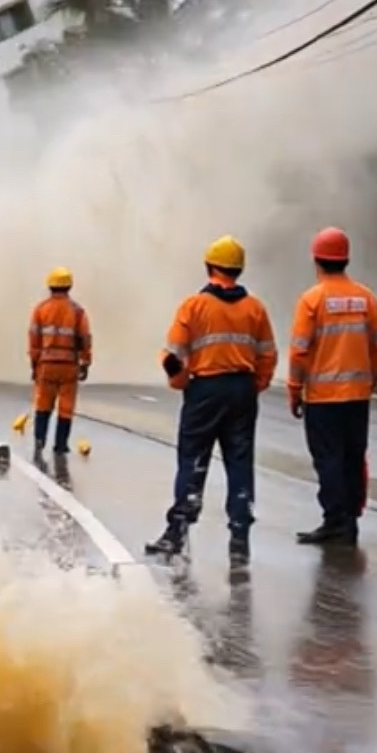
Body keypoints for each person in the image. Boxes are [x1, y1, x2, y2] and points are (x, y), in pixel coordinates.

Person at [145, 236, 277, 567]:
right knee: (240, 461)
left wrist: (181, 382)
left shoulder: (194, 306)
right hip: (243, 391)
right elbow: (268, 355)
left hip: (205, 390)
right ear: (239, 269)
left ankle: (177, 532)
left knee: (193, 459)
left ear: (209, 267)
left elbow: (174, 356)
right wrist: (255, 385)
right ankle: (239, 536)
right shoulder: (255, 309)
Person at [287, 227, 377, 546]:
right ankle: (351, 519)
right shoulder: (366, 298)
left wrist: (294, 389)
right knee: (354, 457)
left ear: (317, 260)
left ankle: (335, 521)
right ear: (346, 259)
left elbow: (299, 350)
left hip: (322, 399)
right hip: (357, 397)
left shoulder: (311, 300)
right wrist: (369, 381)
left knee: (328, 459)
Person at [28, 267, 92, 459]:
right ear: (69, 286)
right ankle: (61, 445)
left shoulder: (40, 309)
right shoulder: (78, 312)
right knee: (66, 406)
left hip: (46, 365)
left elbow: (33, 340)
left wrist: (34, 365)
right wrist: (85, 362)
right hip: (69, 366)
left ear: (50, 286)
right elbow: (85, 339)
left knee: (43, 404)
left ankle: (39, 441)